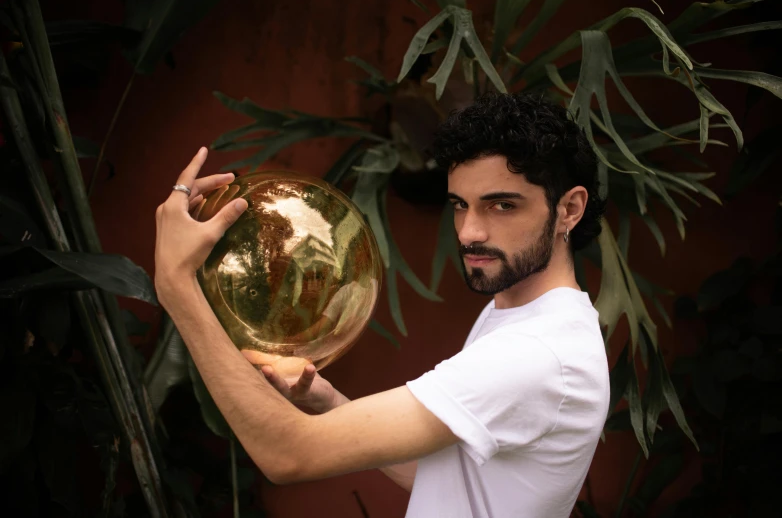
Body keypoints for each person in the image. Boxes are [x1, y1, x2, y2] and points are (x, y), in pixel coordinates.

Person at [154, 92, 610, 518]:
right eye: (459, 205)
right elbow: (451, 482)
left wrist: (176, 282)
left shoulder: (536, 353)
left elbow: (287, 455)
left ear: (569, 209)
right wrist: (329, 403)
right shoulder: (525, 317)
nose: (469, 232)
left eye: (502, 206)